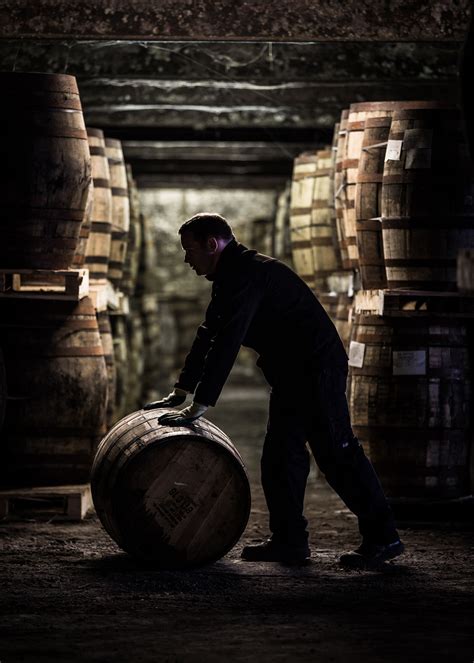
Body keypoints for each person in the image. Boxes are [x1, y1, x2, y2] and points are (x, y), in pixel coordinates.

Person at [144, 212, 404, 569]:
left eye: (189, 250)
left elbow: (229, 340)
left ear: (211, 244)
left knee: (337, 452)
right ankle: (290, 541)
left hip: (316, 368)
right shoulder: (229, 276)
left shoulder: (251, 274)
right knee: (280, 458)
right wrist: (182, 389)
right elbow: (209, 334)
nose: (186, 259)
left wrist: (201, 403)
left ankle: (383, 536)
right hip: (290, 373)